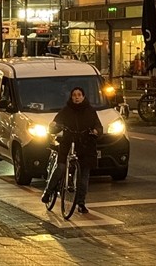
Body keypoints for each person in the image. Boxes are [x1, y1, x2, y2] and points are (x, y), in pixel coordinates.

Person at [41, 86, 102, 215]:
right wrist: (53, 126)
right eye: (74, 95)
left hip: (85, 145)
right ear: (71, 97)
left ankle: (81, 203)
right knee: (61, 167)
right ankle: (48, 191)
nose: (77, 97)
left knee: (84, 176)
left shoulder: (90, 111)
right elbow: (56, 124)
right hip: (68, 143)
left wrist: (96, 131)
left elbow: (98, 125)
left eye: (79, 95)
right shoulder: (66, 111)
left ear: (83, 97)